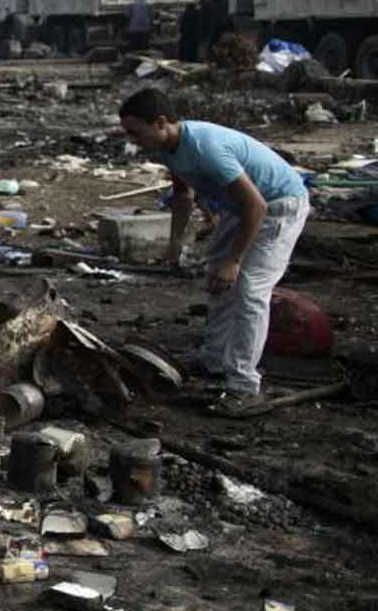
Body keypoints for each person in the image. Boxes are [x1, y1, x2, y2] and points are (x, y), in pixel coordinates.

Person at [117, 89, 310, 417]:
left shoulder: (206, 148)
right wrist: (175, 244)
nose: (133, 141)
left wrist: (234, 261)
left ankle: (245, 387)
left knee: (250, 292)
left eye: (136, 132)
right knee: (217, 283)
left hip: (278, 205)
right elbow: (182, 196)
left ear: (161, 122)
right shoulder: (168, 148)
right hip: (240, 208)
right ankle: (215, 360)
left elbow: (257, 205)